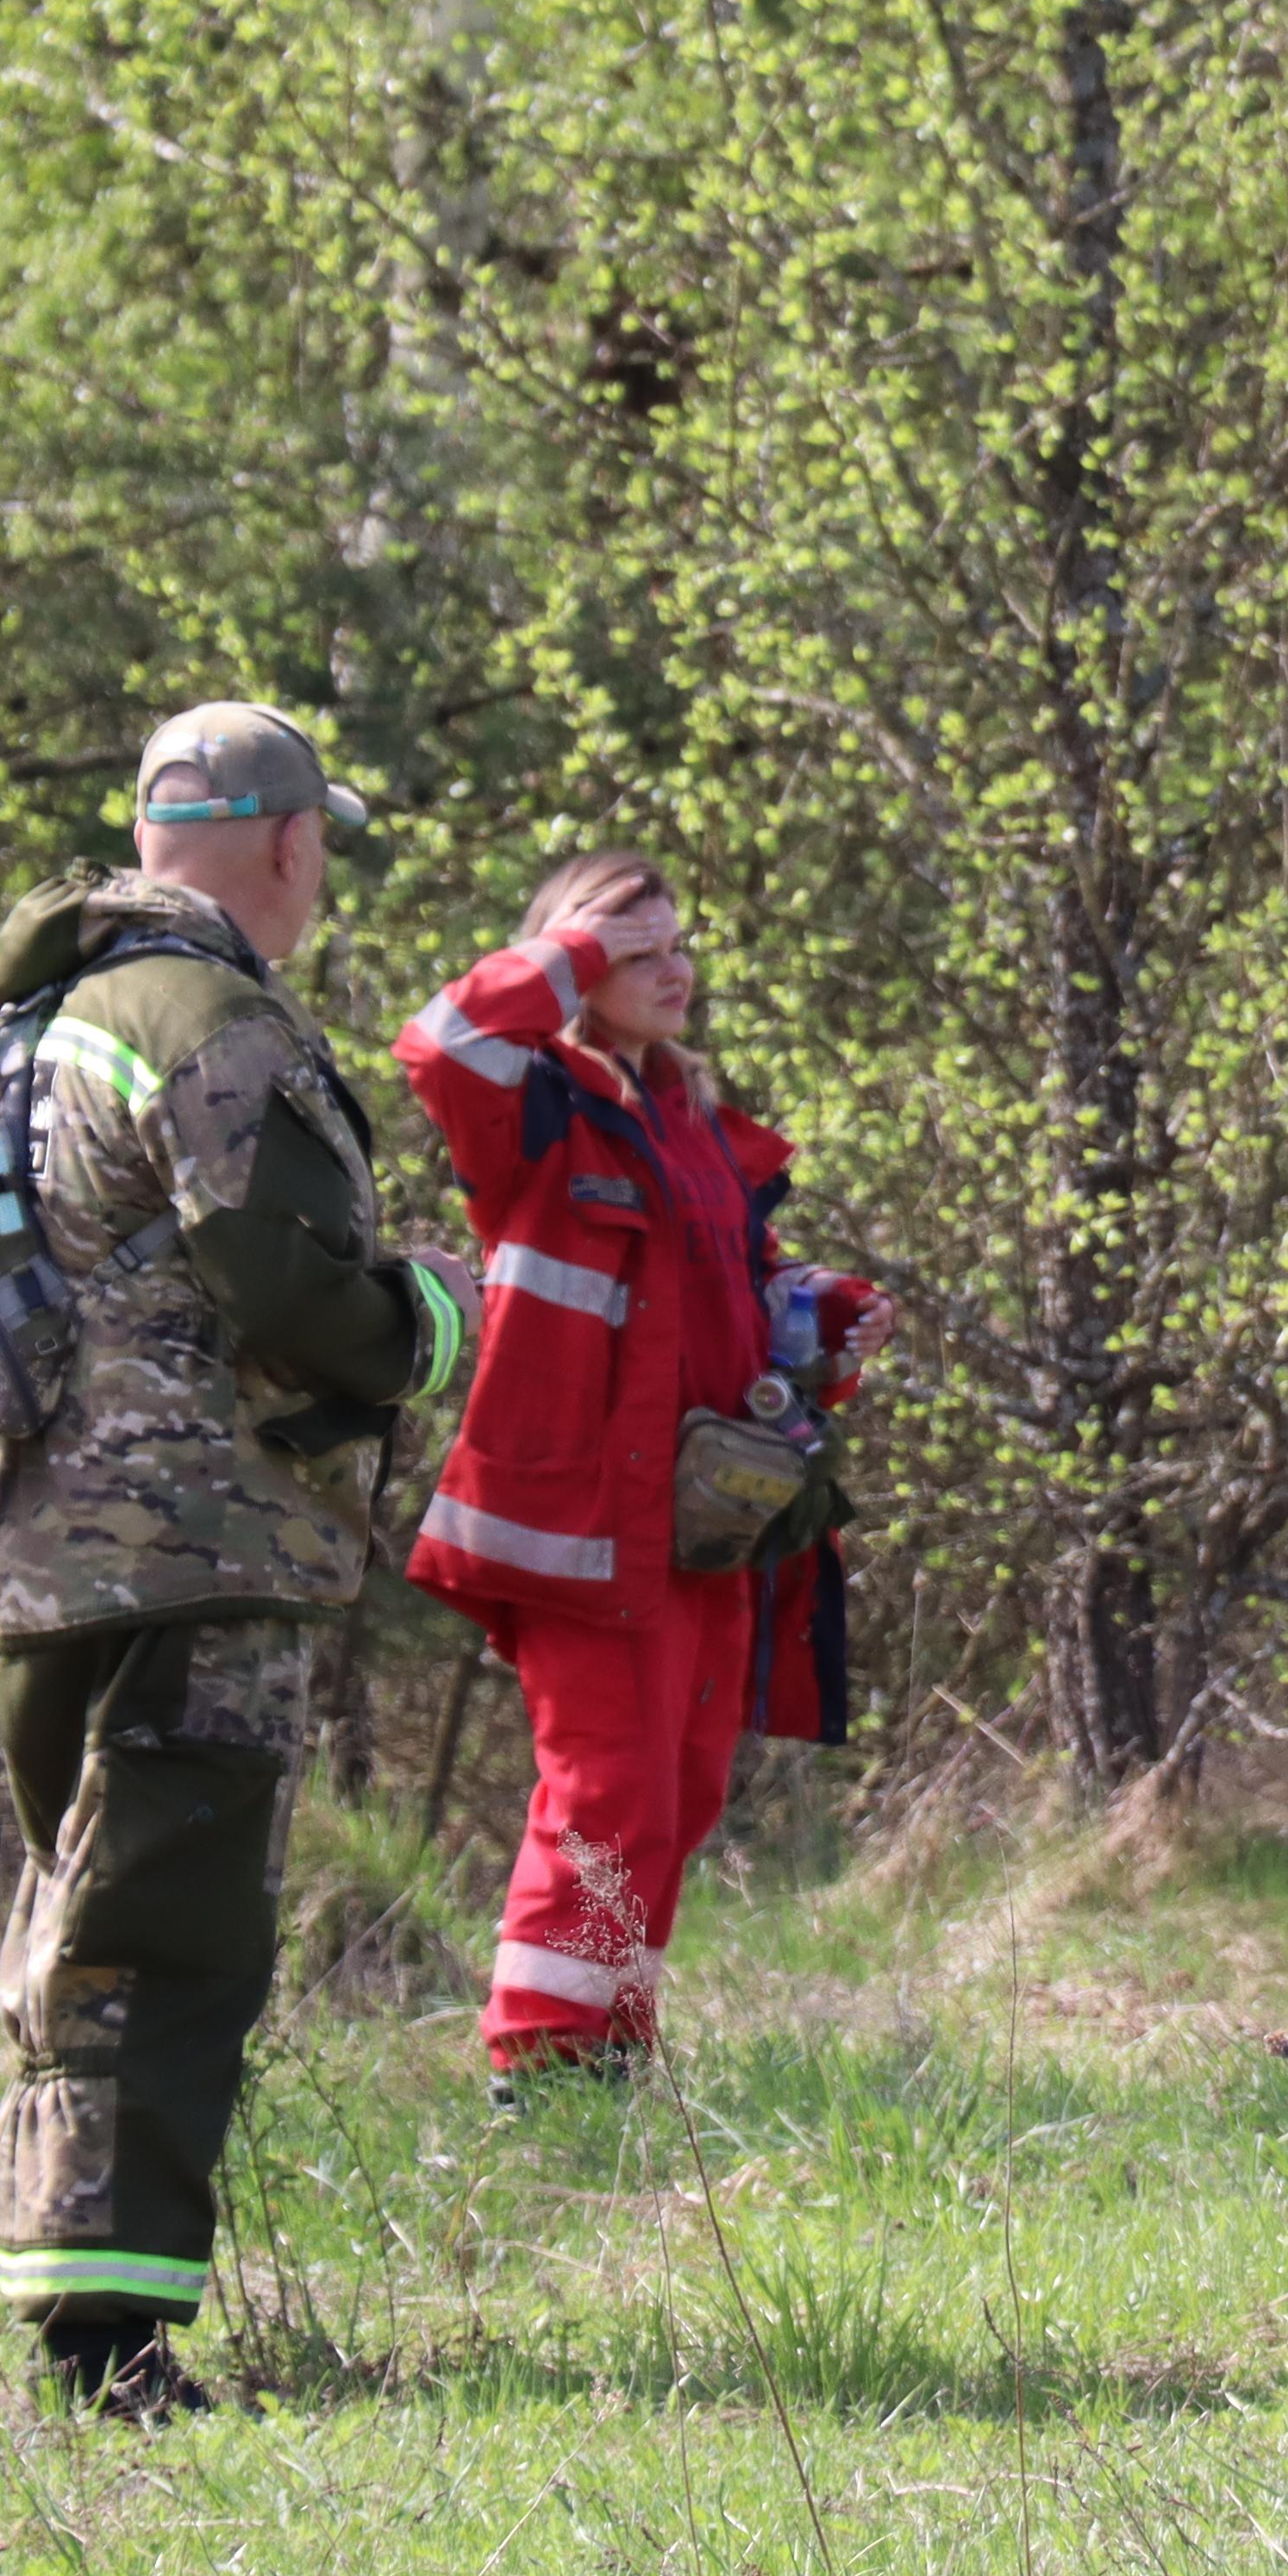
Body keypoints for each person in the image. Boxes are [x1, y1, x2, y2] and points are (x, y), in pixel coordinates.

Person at [0, 703, 478, 2422]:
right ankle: (106, 2351)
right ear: (286, 841)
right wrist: (420, 1319)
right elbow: (269, 1263)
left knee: (84, 1911)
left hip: (47, 1538)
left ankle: (77, 2296)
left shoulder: (47, 1011)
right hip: (185, 1536)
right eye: (322, 836)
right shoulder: (206, 1012)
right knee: (165, 1929)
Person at [396, 853, 891, 2090]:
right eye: (641, 951)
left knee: (677, 1791)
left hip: (703, 1534)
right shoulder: (534, 1106)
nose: (675, 971)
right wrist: (570, 951)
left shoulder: (696, 1125)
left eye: (679, 946)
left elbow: (741, 1288)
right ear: (575, 963)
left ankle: (610, 2054)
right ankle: (546, 2071)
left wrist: (821, 1317)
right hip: (580, 1531)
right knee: (607, 1794)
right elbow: (440, 1043)